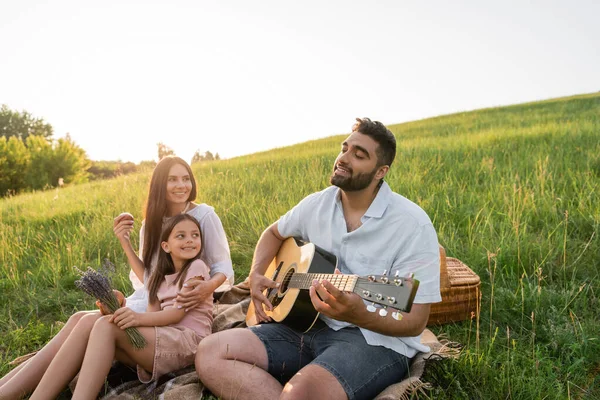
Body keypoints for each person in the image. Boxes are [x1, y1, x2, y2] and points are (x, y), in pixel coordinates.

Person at [195, 118, 441, 400]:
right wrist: (256, 276)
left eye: (358, 155)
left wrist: (360, 315)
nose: (343, 158)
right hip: (303, 323)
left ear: (380, 171)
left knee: (300, 394)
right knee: (210, 352)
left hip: (372, 340)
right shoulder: (318, 203)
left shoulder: (412, 225)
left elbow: (416, 320)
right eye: (344, 148)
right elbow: (272, 233)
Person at [0, 156, 233, 399]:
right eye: (172, 179)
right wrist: (125, 244)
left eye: (186, 178)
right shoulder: (152, 224)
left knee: (98, 325)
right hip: (155, 308)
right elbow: (151, 282)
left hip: (178, 317)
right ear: (159, 185)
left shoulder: (203, 220)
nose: (181, 185)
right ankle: (7, 391)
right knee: (80, 319)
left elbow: (223, 266)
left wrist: (208, 287)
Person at [29, 214, 214, 399]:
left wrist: (136, 317)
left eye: (195, 235)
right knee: (94, 322)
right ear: (166, 246)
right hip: (165, 341)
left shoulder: (196, 266)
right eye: (181, 236)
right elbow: (154, 312)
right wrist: (119, 308)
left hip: (189, 343)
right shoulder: (163, 277)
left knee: (105, 326)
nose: (190, 240)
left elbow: (176, 314)